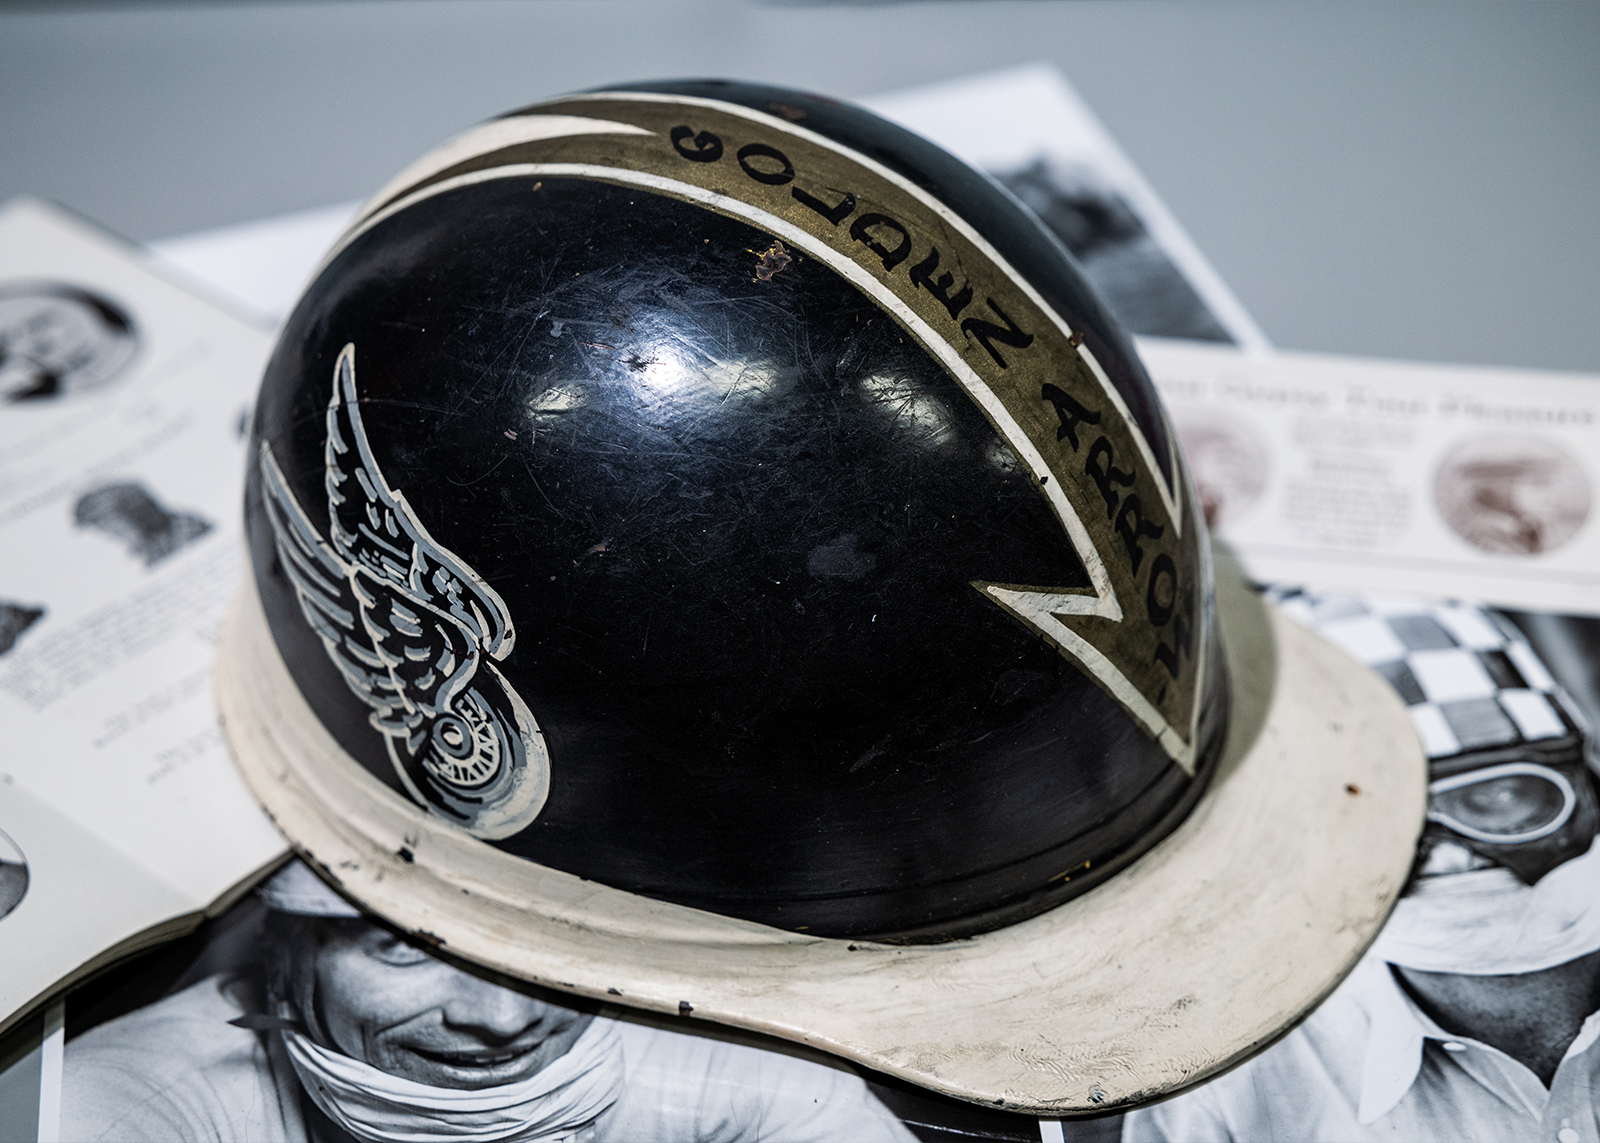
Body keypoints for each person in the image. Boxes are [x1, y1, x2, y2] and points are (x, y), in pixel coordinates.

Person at [1124, 595, 1600, 1143]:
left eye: (1498, 796)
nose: (1454, 855)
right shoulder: (1225, 1096)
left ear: (1589, 787)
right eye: (1377, 819)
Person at [62, 861, 917, 1143]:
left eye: (540, 945)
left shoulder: (741, 1073)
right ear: (279, 949)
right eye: (405, 947)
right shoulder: (114, 1104)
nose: (505, 1020)